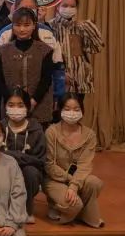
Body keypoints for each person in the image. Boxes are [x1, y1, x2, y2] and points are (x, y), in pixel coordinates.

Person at [43, 93, 104, 227]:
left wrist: (74, 185)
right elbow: (49, 165)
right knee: (74, 205)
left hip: (77, 180)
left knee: (94, 182)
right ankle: (68, 207)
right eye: (67, 109)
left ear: (82, 111)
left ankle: (77, 211)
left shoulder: (89, 135)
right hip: (55, 180)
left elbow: (84, 165)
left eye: (76, 109)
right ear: (60, 110)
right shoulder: (51, 132)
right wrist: (72, 182)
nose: (72, 113)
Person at [0, 7, 54, 126]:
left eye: (27, 25)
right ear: (12, 26)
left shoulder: (45, 50)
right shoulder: (3, 50)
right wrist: (11, 101)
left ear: (34, 26)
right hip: (11, 106)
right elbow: (0, 80)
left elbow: (46, 79)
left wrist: (34, 101)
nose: (22, 29)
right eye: (18, 25)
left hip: (39, 105)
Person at [49, 0, 104, 109]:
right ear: (57, 7)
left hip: (79, 78)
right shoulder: (50, 26)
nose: (68, 9)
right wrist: (60, 73)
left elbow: (97, 48)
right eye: (65, 5)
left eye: (72, 6)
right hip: (58, 78)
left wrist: (90, 27)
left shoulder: (82, 27)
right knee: (58, 111)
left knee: (77, 111)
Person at [1, 87, 46, 222]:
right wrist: (21, 157)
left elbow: (39, 160)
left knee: (31, 172)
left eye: (20, 105)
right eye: (11, 105)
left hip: (28, 170)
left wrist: (12, 156)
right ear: (5, 107)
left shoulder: (36, 129)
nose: (16, 109)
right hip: (4, 168)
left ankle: (26, 209)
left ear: (27, 107)